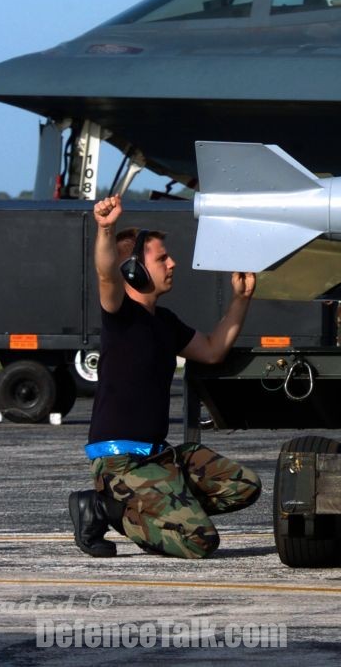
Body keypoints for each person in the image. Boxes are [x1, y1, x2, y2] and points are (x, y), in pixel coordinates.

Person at [68, 195, 262, 559]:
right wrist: (106, 228)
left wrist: (241, 299)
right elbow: (105, 272)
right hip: (120, 461)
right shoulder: (120, 313)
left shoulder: (166, 322)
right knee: (198, 541)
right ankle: (103, 507)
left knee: (243, 486)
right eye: (162, 258)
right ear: (133, 270)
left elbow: (212, 350)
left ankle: (158, 507)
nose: (172, 263)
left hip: (160, 458)